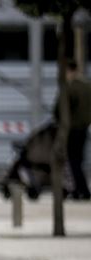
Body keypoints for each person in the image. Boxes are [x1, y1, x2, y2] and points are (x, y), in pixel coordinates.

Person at [54, 60, 91, 200]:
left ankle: (80, 189)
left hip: (71, 129)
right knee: (78, 161)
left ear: (69, 71)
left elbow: (58, 109)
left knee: (72, 161)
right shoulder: (88, 86)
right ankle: (79, 189)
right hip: (84, 128)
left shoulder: (69, 88)